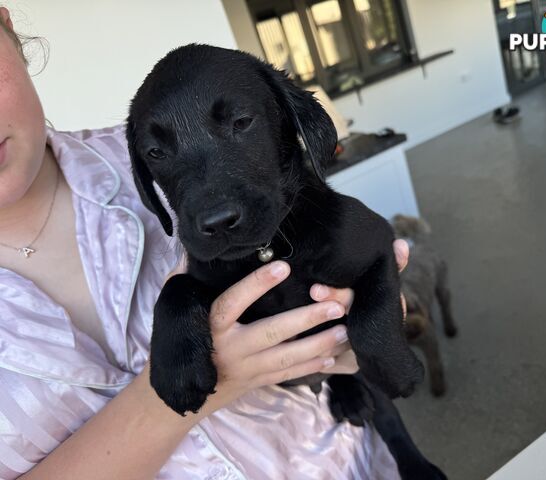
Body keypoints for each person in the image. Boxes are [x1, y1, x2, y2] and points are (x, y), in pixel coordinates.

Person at [0, 7, 411, 479]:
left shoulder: (132, 141)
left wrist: (364, 323)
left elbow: (348, 270)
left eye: (238, 125)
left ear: (7, 29)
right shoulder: (146, 153)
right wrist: (172, 400)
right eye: (160, 155)